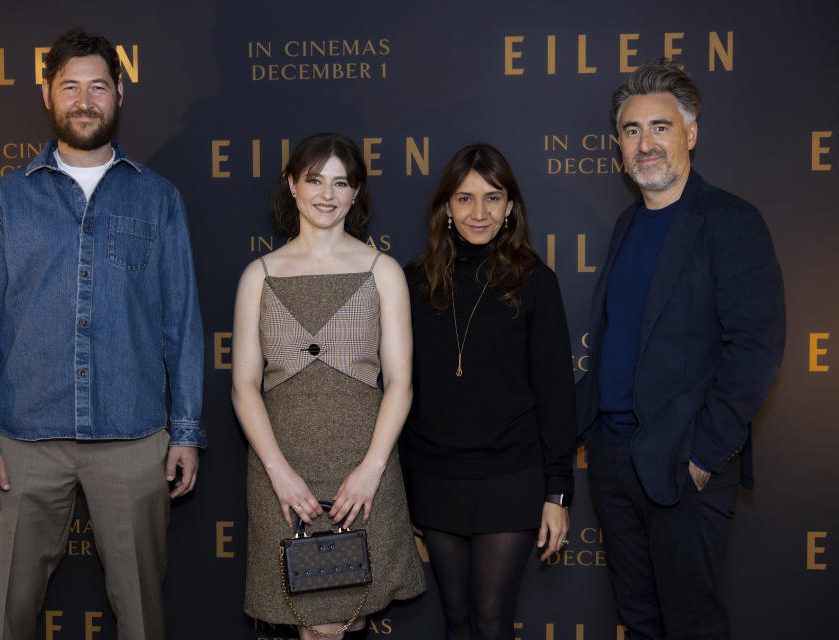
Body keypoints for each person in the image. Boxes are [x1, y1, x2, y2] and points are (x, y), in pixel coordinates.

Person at [0, 28, 204, 640]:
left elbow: (183, 326)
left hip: (134, 438)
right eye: (71, 87)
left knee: (143, 617)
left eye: (98, 86)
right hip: (23, 444)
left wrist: (187, 430)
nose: (84, 100)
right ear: (47, 94)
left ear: (119, 93)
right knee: (7, 617)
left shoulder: (158, 199)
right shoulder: (5, 201)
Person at [576, 58, 786, 639]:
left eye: (660, 127)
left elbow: (756, 348)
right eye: (631, 130)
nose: (645, 144)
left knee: (691, 626)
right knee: (639, 621)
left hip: (681, 464)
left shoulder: (730, 222)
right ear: (619, 144)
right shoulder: (626, 224)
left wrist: (702, 458)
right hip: (614, 464)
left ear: (690, 133)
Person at [231, 132, 425, 640]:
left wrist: (371, 470)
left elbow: (401, 383)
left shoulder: (382, 272)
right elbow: (244, 387)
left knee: (348, 618)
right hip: (282, 470)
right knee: (308, 623)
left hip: (362, 470)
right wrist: (279, 473)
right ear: (291, 185)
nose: (326, 194)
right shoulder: (259, 274)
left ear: (356, 193)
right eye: (314, 179)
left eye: (341, 183)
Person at [402, 144, 577, 640]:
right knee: (456, 622)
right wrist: (403, 487)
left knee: (493, 622)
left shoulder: (535, 283)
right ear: (446, 209)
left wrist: (557, 492)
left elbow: (557, 394)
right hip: (435, 476)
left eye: (493, 198)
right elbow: (396, 389)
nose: (479, 212)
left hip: (511, 476)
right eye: (464, 198)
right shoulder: (413, 282)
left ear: (510, 209)